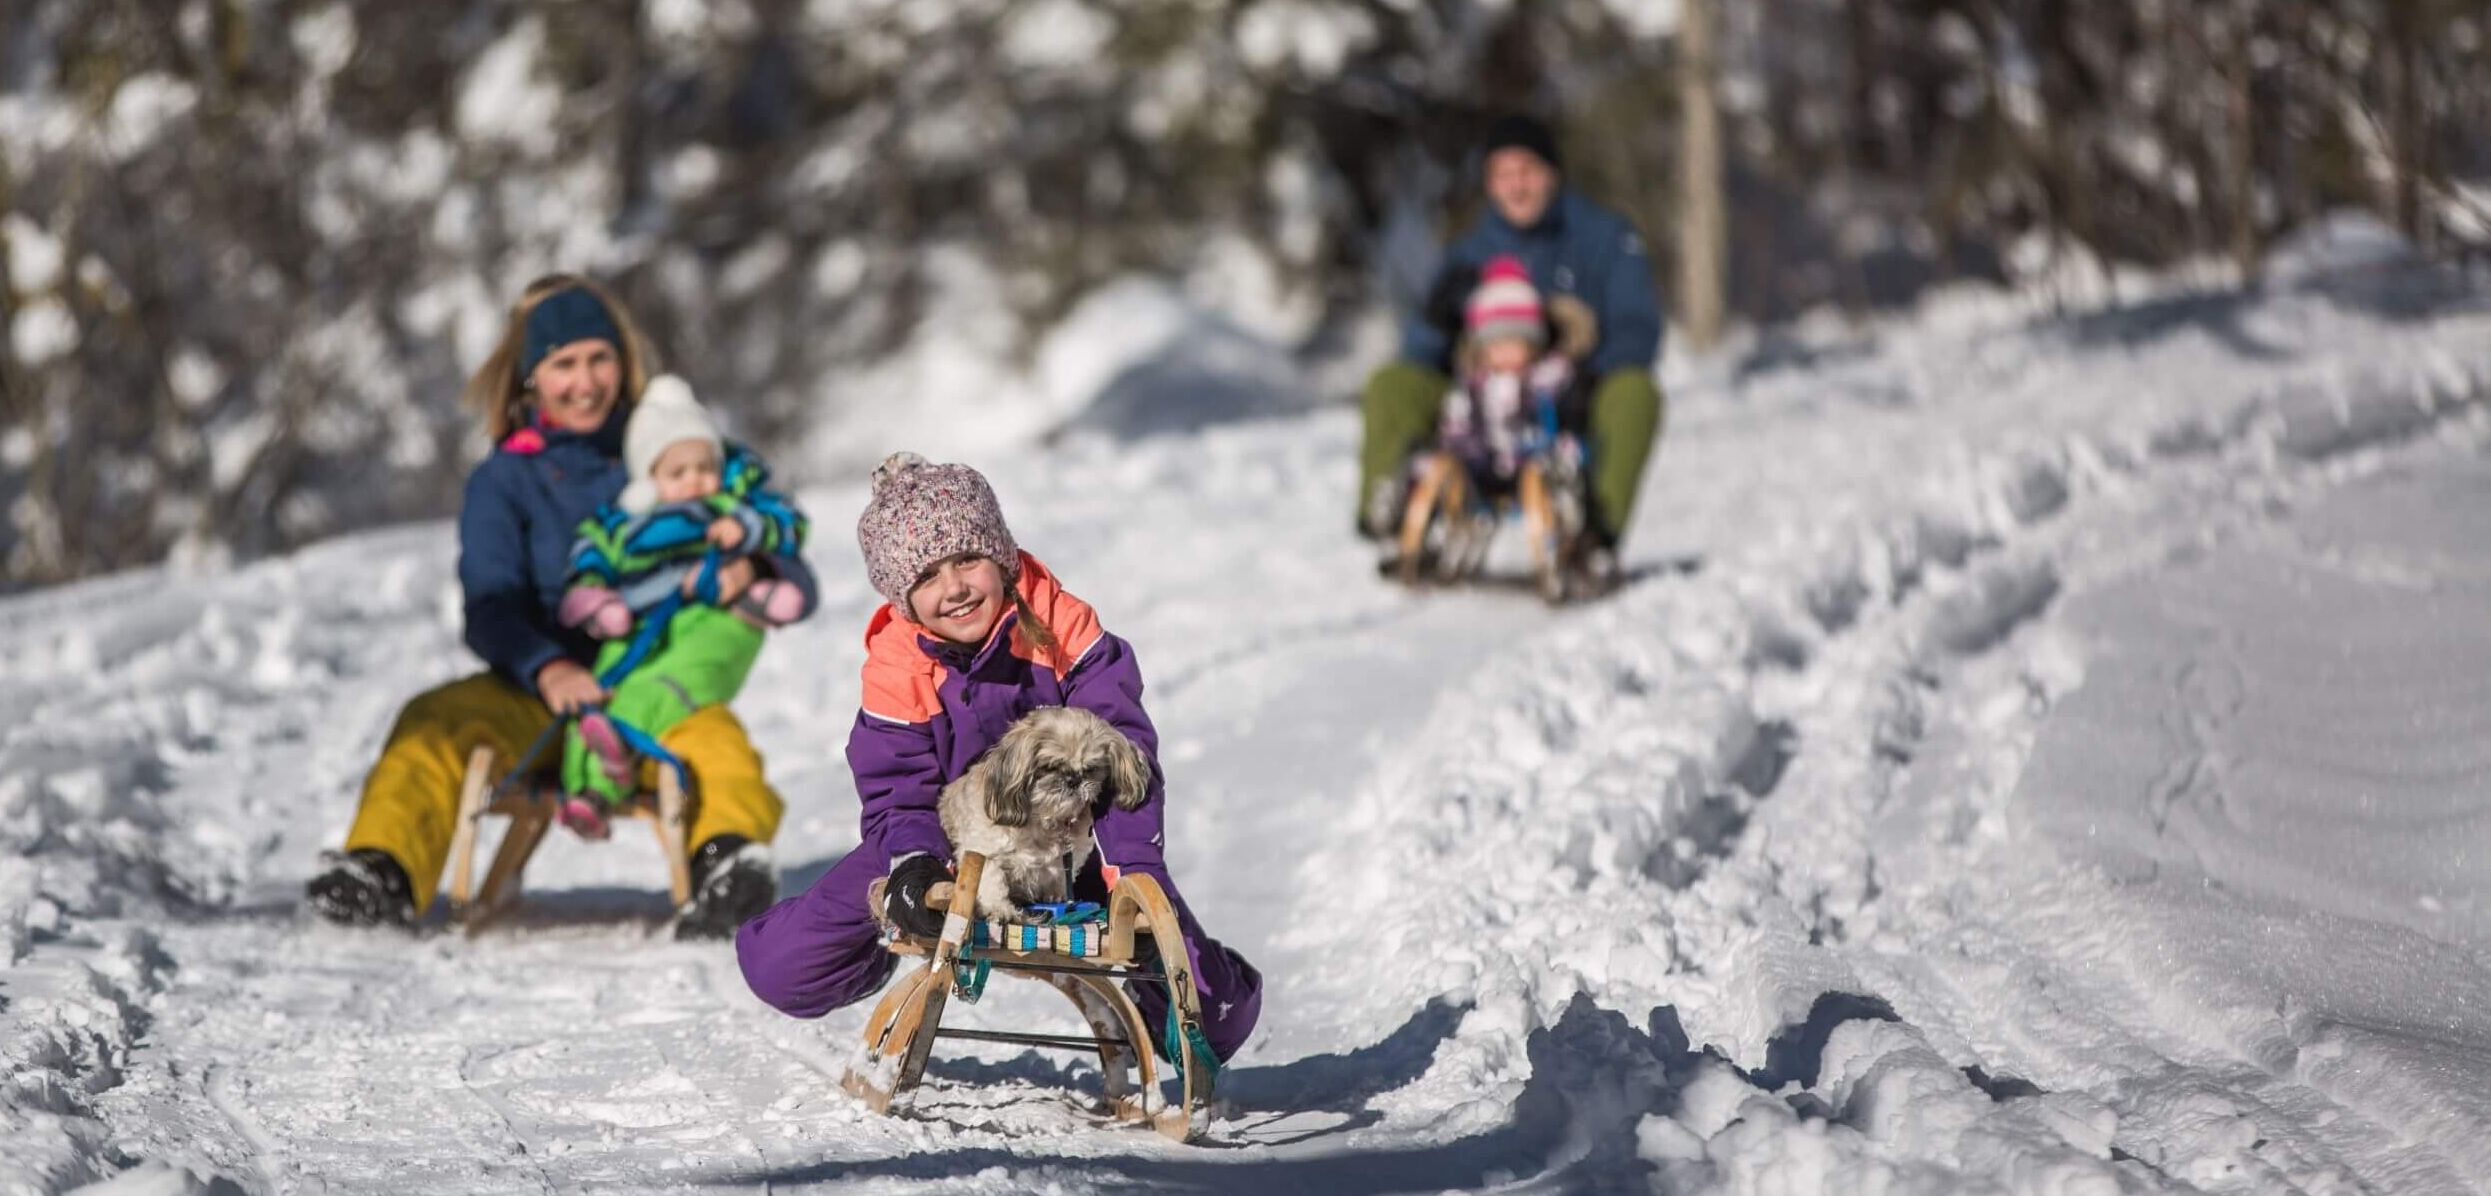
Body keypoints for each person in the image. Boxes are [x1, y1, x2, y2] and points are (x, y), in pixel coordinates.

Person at [306, 276, 817, 940]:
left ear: (624, 362)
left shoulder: (667, 449)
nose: (585, 381)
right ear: (529, 377)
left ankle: (727, 865)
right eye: (563, 364)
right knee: (434, 722)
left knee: (714, 740)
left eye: (598, 359)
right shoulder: (504, 481)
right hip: (542, 701)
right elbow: (489, 604)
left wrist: (756, 565)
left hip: (645, 691)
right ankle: (383, 869)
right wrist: (547, 669)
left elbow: (775, 534)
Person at [733, 453, 1262, 1073]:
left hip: (1075, 845)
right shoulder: (898, 666)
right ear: (904, 597)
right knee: (782, 965)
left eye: (966, 560)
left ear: (1001, 556)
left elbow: (1124, 757)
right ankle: (883, 942)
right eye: (927, 576)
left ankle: (1198, 998)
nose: (953, 587)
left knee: (1211, 1009)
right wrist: (915, 867)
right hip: (947, 839)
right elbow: (898, 792)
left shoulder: (1065, 627)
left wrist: (1132, 873)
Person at [1358, 113, 1666, 575]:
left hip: (1568, 397)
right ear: (1489, 183)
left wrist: (1584, 368)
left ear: (1552, 173)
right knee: (1393, 383)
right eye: (1503, 175)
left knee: (1636, 393)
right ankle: (1395, 511)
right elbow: (1420, 349)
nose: (1516, 187)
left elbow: (1637, 327)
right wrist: (1439, 325)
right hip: (1483, 400)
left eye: (1527, 172)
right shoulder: (1469, 252)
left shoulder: (1604, 238)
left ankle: (1594, 536)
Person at [552, 376, 810, 840]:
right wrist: (593, 596)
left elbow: (788, 522)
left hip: (717, 618)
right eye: (678, 472)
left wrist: (747, 532)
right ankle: (590, 792)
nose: (695, 481)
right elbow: (591, 553)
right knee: (596, 697)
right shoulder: (628, 523)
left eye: (704, 466)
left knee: (670, 683)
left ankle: (617, 757)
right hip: (639, 627)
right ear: (650, 478)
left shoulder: (733, 504)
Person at [1435, 254, 1596, 488]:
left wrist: (1561, 447)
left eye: (1515, 344)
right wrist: (1462, 449)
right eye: (1497, 346)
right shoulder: (1473, 386)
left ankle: (1562, 494)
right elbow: (1458, 425)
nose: (1506, 354)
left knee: (1551, 465)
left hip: (1537, 463)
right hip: (1483, 470)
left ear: (1532, 346)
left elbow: (1566, 421)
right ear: (1482, 350)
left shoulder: (1548, 378)